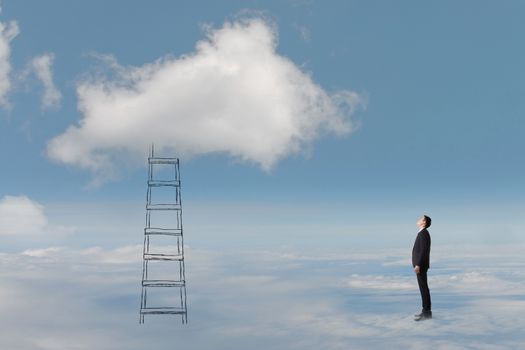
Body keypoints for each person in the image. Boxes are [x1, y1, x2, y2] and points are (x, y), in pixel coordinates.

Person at [412, 215, 432, 321]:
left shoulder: (423, 234)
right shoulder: (422, 233)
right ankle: (426, 312)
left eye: (420, 218)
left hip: (421, 266)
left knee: (423, 288)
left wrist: (418, 264)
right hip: (420, 265)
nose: (418, 219)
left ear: (424, 222)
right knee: (423, 288)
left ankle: (427, 313)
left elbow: (423, 251)